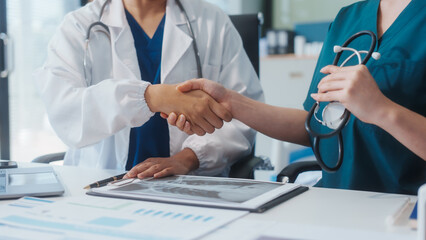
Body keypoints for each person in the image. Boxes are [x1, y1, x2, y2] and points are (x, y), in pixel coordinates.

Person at [167, 0, 426, 195]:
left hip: (407, 208)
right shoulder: (349, 18)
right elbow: (313, 125)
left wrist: (381, 110)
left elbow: (375, 109)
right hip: (338, 200)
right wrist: (232, 102)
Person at [34, 0, 263, 178]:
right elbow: (65, 111)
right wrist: (151, 96)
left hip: (190, 183)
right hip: (102, 179)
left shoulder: (211, 22)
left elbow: (242, 116)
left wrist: (189, 158)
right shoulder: (78, 26)